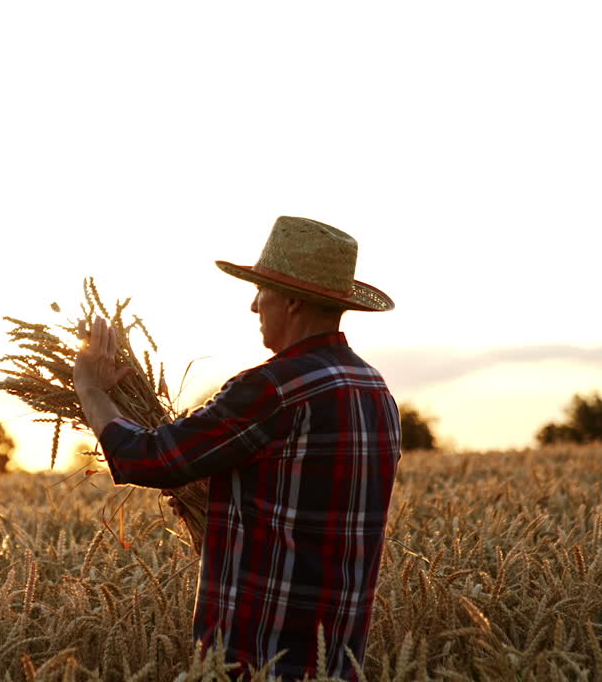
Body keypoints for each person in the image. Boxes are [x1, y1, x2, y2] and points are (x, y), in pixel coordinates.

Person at [73, 216, 400, 681]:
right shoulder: (374, 389)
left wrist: (89, 388)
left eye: (261, 290)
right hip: (337, 658)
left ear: (289, 301)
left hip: (260, 655)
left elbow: (144, 457)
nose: (253, 305)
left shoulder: (273, 389)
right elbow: (299, 500)